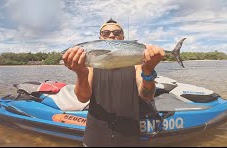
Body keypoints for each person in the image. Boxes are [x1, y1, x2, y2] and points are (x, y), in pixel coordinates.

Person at [62, 18, 165, 147]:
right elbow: (83, 98)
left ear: (123, 37)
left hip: (129, 139)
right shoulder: (91, 66)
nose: (111, 35)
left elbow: (147, 95)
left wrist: (148, 72)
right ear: (100, 38)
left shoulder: (137, 64)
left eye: (117, 33)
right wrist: (81, 73)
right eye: (105, 33)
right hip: (95, 138)